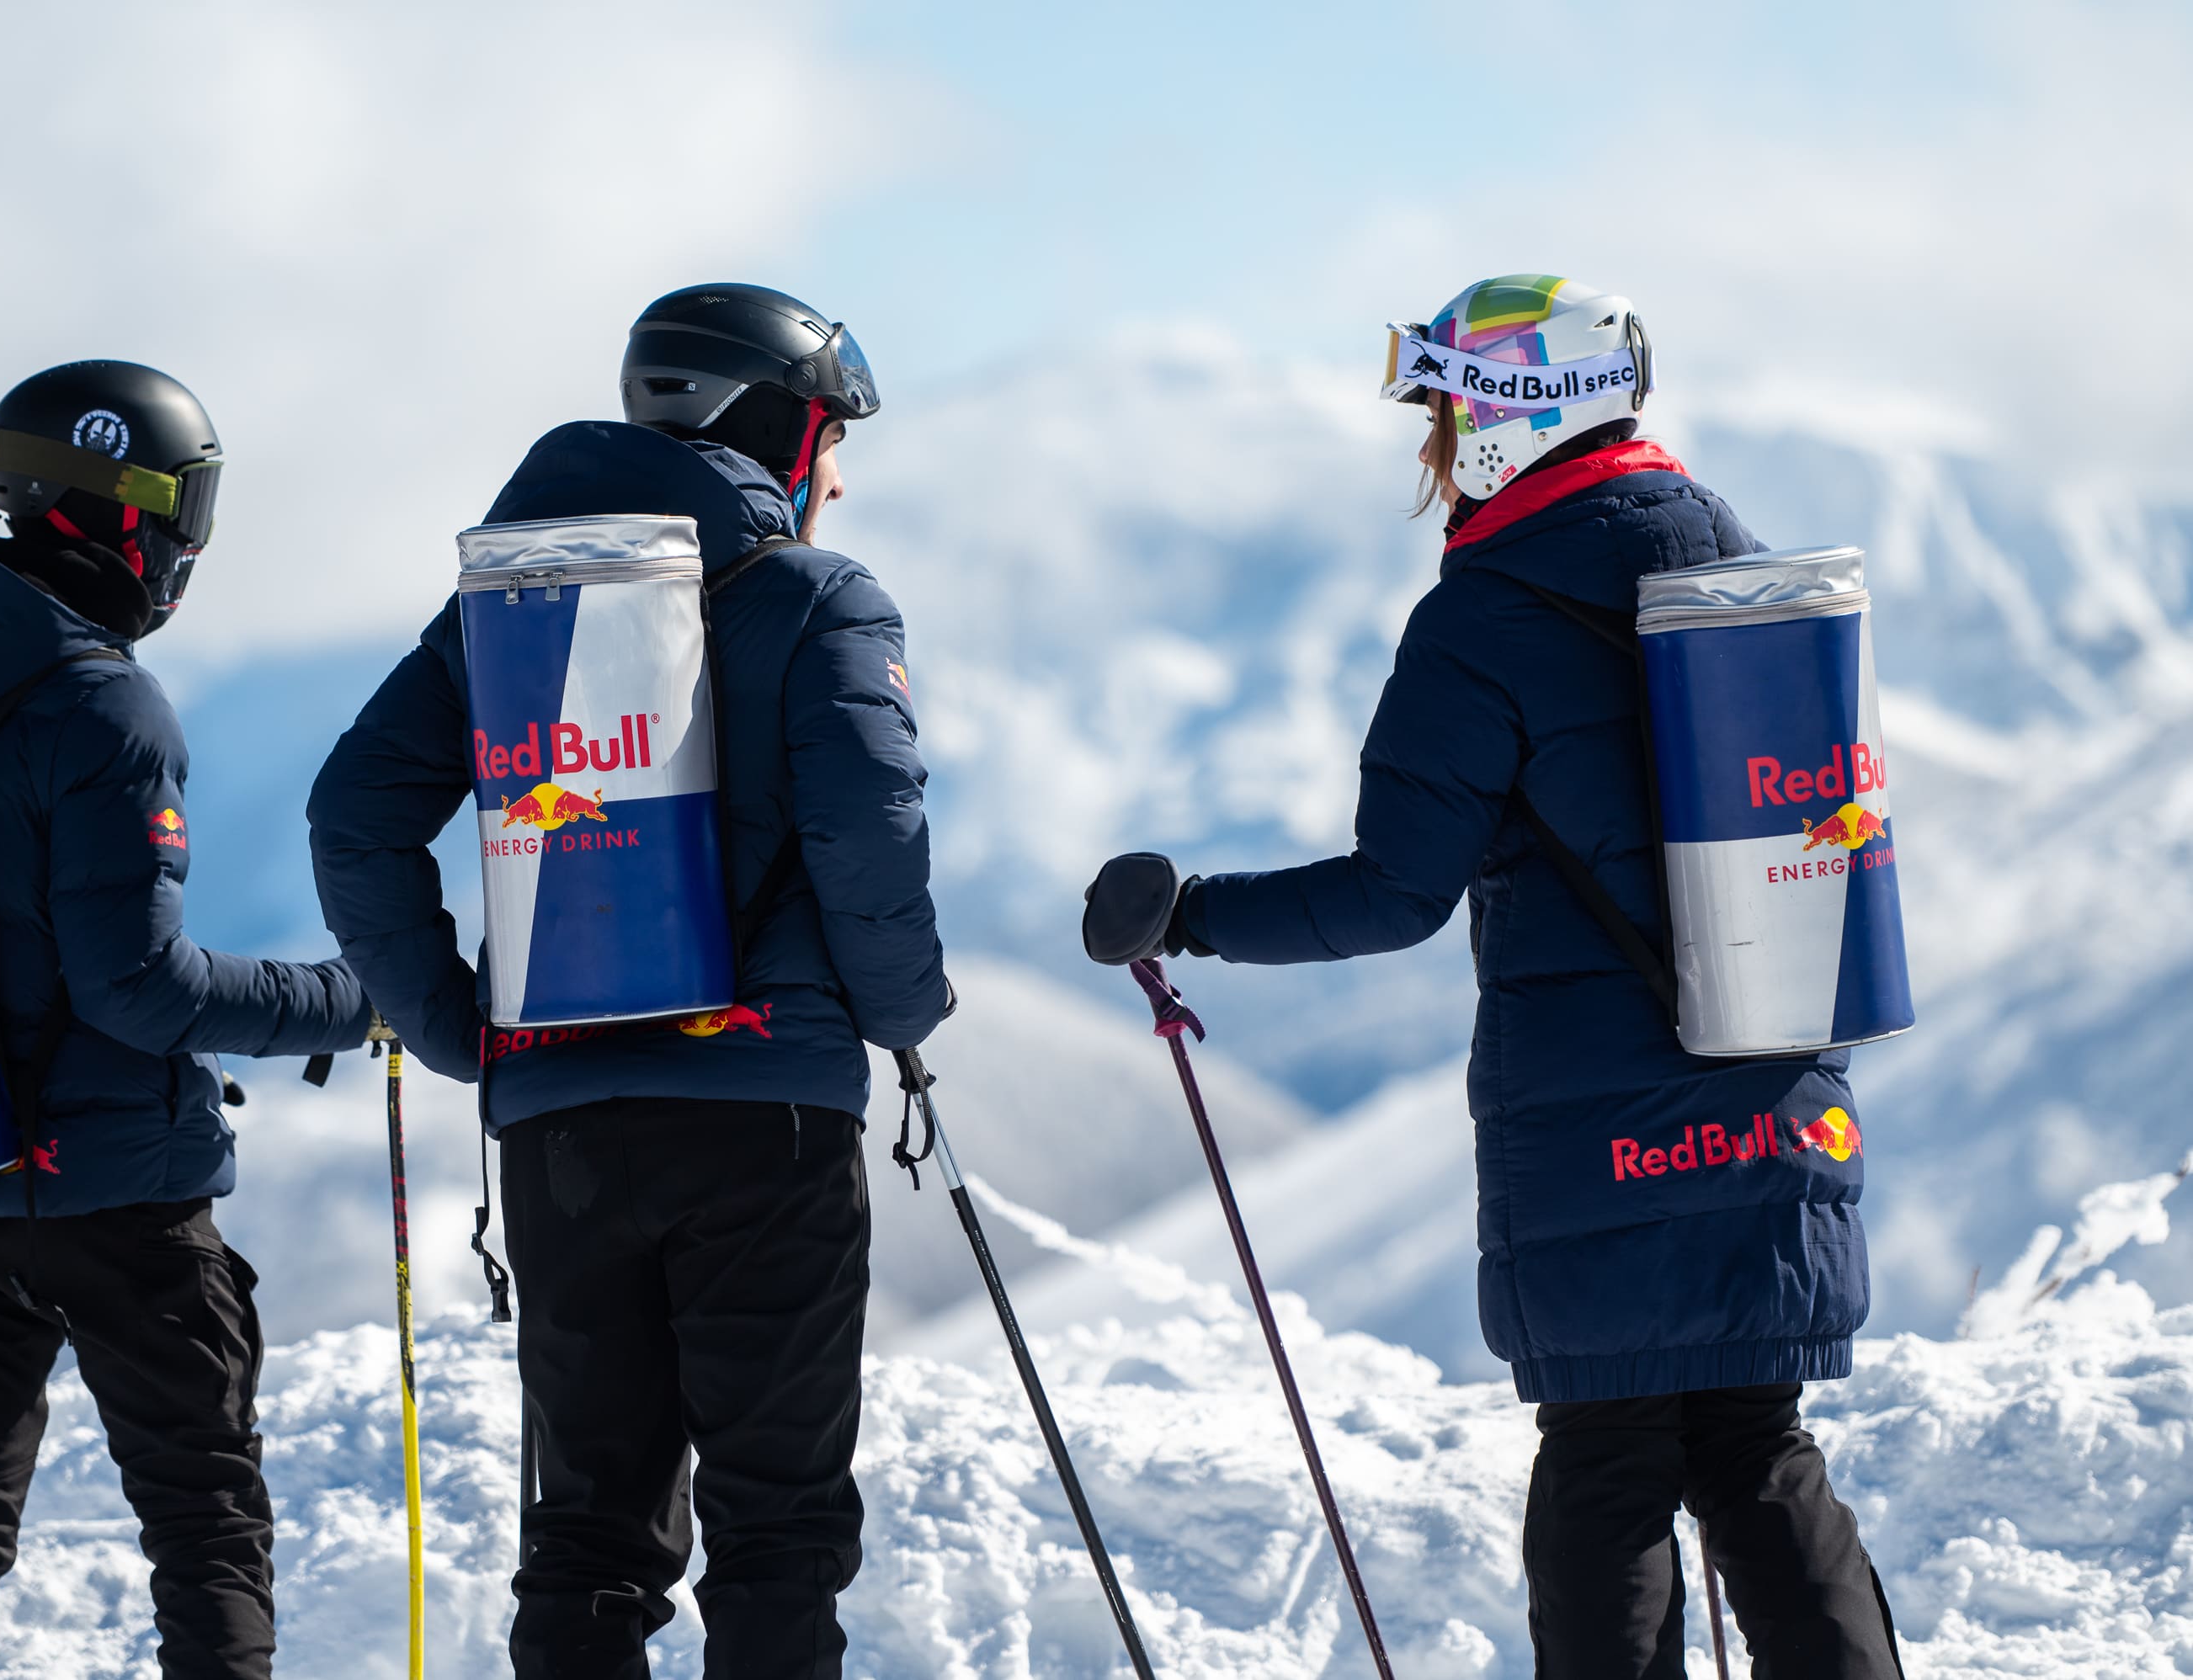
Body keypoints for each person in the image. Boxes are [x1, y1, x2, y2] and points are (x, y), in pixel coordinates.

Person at [1082, 276, 1905, 1677]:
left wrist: (1195, 917)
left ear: (1517, 416)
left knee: (1606, 1460)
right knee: (1759, 1451)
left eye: (1447, 413)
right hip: (1778, 1098)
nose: (1432, 447)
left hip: (1598, 1132)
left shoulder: (1482, 621)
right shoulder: (1750, 576)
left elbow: (1392, 893)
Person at [307, 282, 948, 1678]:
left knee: (590, 1535)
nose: (836, 476)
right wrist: (902, 1016)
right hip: (766, 1121)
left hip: (563, 1131)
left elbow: (354, 816)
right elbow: (870, 835)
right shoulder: (817, 600)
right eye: (831, 439)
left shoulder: (501, 616)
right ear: (776, 430)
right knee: (778, 1531)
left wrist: (465, 1030)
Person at [0, 360, 372, 1680]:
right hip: (117, 1196)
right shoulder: (104, 705)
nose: (193, 546)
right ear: (125, 510)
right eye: (188, 510)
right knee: (206, 1527)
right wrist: (345, 1000)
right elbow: (138, 988)